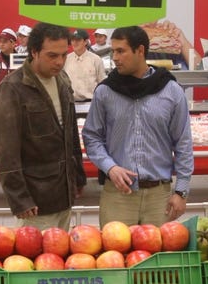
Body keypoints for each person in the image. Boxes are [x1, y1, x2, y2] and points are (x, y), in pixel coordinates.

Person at [81, 26, 193, 227]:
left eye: (121, 51)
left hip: (159, 197)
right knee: (115, 257)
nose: (115, 57)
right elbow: (92, 137)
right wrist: (111, 167)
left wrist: (181, 191)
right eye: (113, 51)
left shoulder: (171, 91)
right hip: (118, 195)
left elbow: (183, 143)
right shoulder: (105, 91)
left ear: (140, 51)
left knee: (160, 255)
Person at [0, 22, 86, 231]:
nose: (60, 62)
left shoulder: (62, 80)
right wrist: (19, 198)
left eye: (64, 55)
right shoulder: (13, 88)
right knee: (38, 262)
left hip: (64, 194)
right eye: (52, 56)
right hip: (35, 202)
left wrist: (78, 177)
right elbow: (5, 151)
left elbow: (70, 134)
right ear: (34, 52)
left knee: (60, 257)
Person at [64, 29, 107, 102]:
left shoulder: (96, 60)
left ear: (86, 42)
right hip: (70, 103)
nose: (75, 43)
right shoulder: (66, 59)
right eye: (73, 40)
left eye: (78, 40)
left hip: (91, 103)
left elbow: (102, 83)